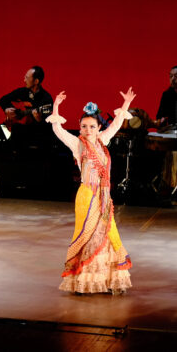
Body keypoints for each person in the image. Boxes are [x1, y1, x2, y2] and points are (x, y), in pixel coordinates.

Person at [47, 87, 136, 294]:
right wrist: (56, 106)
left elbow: (116, 124)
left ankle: (109, 279)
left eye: (92, 126)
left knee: (109, 233)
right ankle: (83, 280)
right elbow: (58, 130)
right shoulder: (77, 144)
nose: (88, 130)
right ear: (79, 127)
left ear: (98, 128)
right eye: (84, 126)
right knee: (88, 235)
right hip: (87, 196)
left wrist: (126, 104)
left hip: (104, 197)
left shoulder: (102, 141)